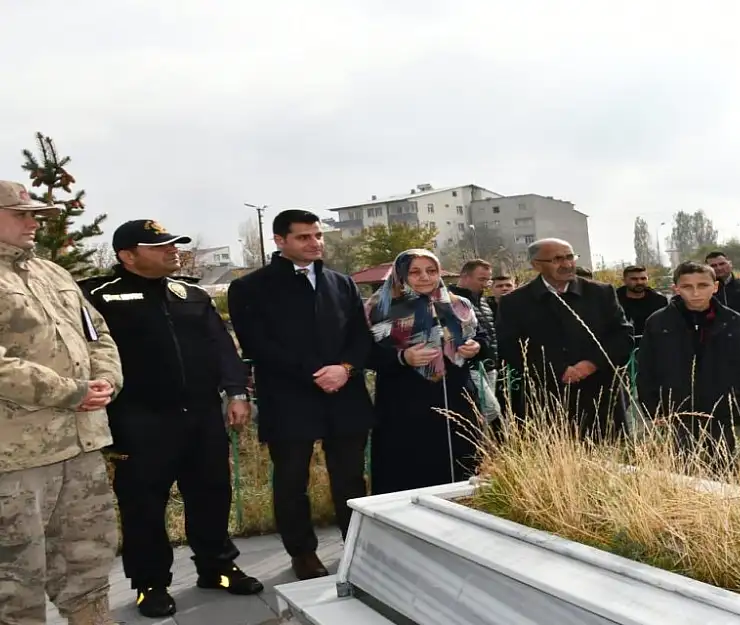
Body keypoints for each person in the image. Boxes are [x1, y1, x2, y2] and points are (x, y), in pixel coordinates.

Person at [79, 220, 263, 617]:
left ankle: (216, 567)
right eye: (158, 247)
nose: (173, 251)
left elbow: (222, 348)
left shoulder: (191, 293)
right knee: (143, 505)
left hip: (200, 416)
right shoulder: (96, 296)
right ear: (127, 255)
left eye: (174, 244)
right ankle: (150, 583)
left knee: (212, 494)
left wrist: (236, 392)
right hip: (139, 420)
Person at [0, 180, 123, 625]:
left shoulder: (54, 273)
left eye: (36, 214)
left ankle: (92, 617)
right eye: (21, 213)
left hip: (82, 442)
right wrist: (68, 391)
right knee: (15, 566)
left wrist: (106, 379)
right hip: (18, 455)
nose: (34, 222)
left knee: (88, 548)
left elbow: (98, 334)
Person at [227, 209, 374, 581]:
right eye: (304, 237)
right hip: (290, 396)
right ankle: (303, 553)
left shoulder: (342, 283)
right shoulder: (250, 288)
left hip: (344, 393)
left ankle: (357, 546)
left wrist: (346, 369)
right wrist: (315, 374)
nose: (315, 243)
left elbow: (361, 335)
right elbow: (258, 344)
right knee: (292, 480)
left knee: (350, 479)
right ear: (280, 241)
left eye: (318, 236)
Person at [366, 250, 488, 493]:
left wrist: (477, 347)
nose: (425, 277)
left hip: (456, 398)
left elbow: (482, 337)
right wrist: (402, 357)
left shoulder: (457, 304)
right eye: (415, 272)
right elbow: (365, 353)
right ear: (400, 274)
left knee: (460, 466)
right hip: (404, 402)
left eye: (431, 271)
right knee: (408, 471)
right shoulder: (379, 307)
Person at [496, 238, 634, 439]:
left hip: (601, 393)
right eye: (557, 259)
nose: (567, 264)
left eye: (570, 257)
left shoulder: (600, 293)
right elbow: (510, 346)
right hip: (547, 396)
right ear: (536, 265)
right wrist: (559, 369)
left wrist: (591, 364)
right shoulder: (515, 302)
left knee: (611, 456)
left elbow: (623, 336)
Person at [637, 262, 740, 457]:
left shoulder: (733, 321)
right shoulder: (658, 322)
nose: (696, 293)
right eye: (687, 287)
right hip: (677, 408)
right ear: (676, 289)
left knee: (723, 466)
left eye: (703, 285)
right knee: (681, 467)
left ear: (715, 287)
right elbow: (646, 368)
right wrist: (652, 409)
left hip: (721, 408)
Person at [448, 259, 500, 422]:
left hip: (489, 365)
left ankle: (482, 445)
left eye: (488, 279)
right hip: (469, 367)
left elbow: (487, 333)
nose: (485, 284)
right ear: (465, 276)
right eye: (481, 279)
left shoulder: (483, 301)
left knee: (486, 415)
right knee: (489, 410)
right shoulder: (452, 302)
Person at [616, 265, 668, 337]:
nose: (639, 282)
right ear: (624, 281)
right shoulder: (613, 301)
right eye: (634, 279)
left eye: (643, 278)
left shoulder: (659, 301)